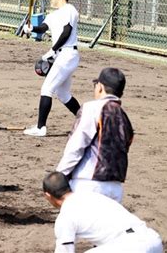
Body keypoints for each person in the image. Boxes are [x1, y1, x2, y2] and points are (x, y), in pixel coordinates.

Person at [56, 67, 133, 203]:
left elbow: (77, 144)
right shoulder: (124, 117)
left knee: (75, 223)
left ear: (100, 87)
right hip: (115, 188)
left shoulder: (91, 108)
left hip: (88, 184)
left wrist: (60, 175)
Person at [43, 171, 163, 253]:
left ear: (48, 195)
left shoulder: (65, 216)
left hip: (130, 248)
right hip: (154, 241)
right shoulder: (93, 195)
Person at [22, 0, 81, 137]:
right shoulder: (53, 15)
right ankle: (86, 121)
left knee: (46, 89)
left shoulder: (70, 10)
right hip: (62, 56)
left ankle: (41, 128)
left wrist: (53, 50)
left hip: (67, 54)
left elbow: (66, 33)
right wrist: (31, 29)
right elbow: (42, 28)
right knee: (63, 93)